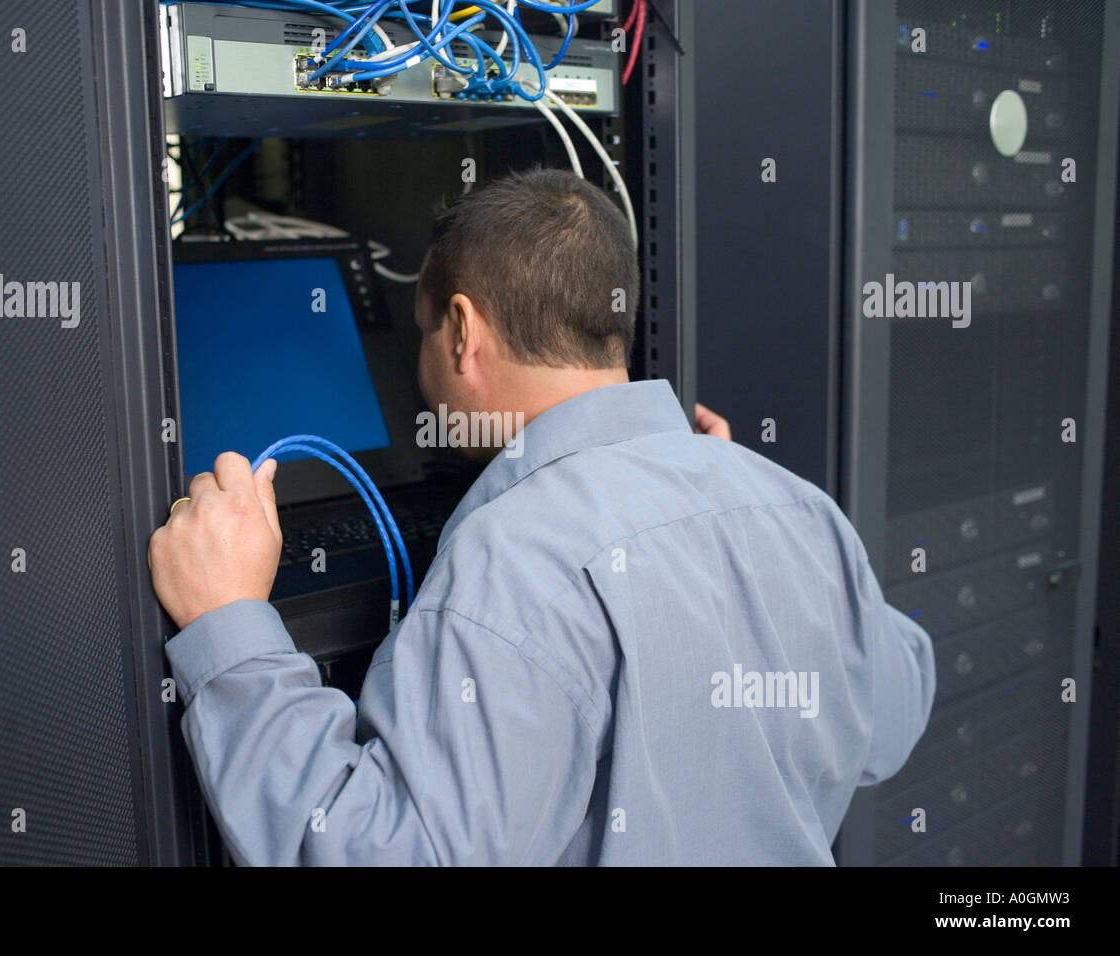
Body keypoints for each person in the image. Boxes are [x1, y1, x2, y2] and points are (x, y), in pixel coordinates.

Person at [148, 168, 935, 865]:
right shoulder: (795, 507)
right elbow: (895, 715)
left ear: (462, 332)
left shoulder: (513, 560)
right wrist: (735, 521)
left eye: (422, 333)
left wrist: (231, 624)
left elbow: (371, 849)